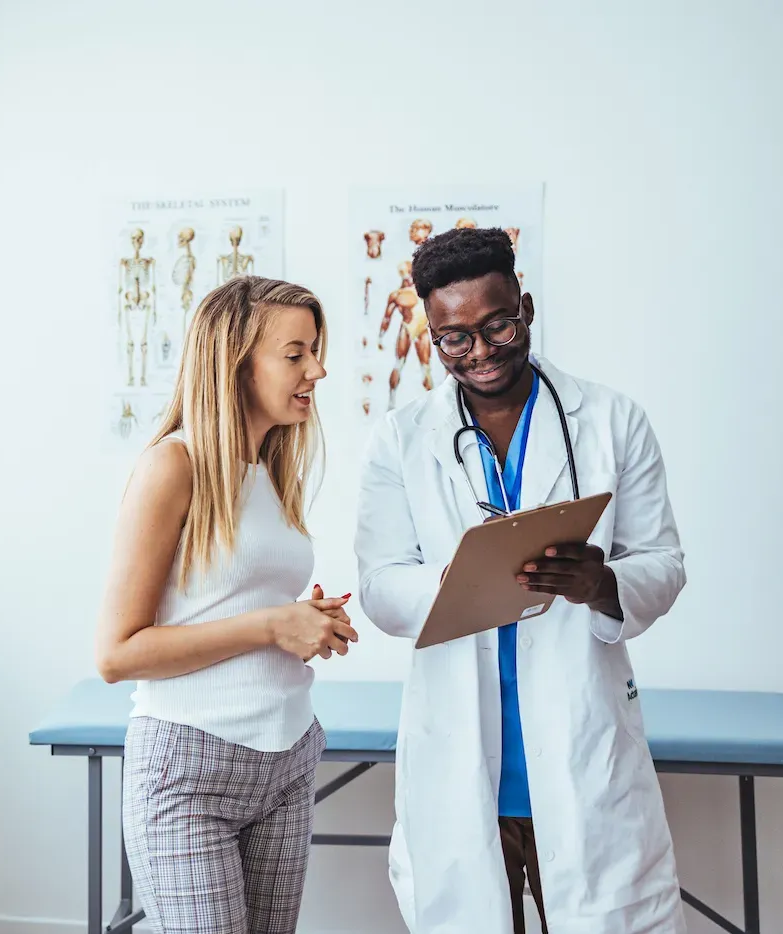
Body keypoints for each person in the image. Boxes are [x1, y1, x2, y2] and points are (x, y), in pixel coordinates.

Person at [354, 227, 687, 933]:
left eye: (497, 324)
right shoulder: (400, 440)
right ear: (433, 338)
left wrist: (602, 584)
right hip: (460, 753)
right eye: (455, 338)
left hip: (581, 749)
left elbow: (661, 561)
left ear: (525, 307)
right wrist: (455, 580)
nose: (480, 351)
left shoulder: (613, 421)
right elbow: (381, 586)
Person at [95, 275, 357, 934]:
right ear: (236, 365)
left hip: (288, 758)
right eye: (295, 354)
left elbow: (233, 602)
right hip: (188, 770)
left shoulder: (272, 472)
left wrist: (305, 620)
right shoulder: (171, 467)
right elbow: (117, 653)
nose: (317, 370)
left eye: (315, 350)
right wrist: (272, 625)